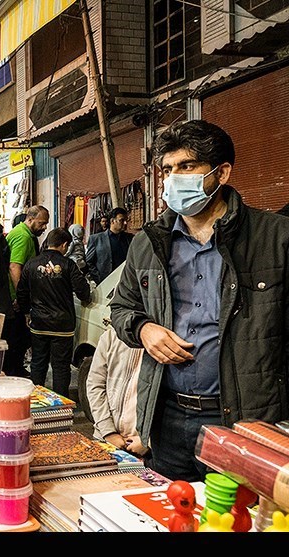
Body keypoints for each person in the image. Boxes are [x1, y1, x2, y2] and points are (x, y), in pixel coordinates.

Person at [110, 119, 289, 482]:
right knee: (172, 515)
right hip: (168, 418)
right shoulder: (149, 243)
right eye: (168, 169)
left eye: (187, 167)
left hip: (245, 422)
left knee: (237, 518)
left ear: (221, 173)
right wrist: (143, 329)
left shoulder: (276, 239)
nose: (174, 179)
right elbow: (121, 308)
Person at [17, 228, 91, 397]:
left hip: (39, 323)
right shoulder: (68, 265)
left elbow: (22, 292)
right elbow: (83, 292)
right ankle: (60, 404)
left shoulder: (31, 264)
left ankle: (35, 400)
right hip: (62, 325)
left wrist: (26, 312)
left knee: (38, 363)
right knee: (60, 366)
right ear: (64, 244)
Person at [86, 327, 148, 457]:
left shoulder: (165, 344)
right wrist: (108, 432)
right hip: (105, 438)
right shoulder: (110, 336)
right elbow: (95, 384)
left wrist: (147, 441)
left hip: (146, 447)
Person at [5, 205, 50, 377]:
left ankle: (16, 369)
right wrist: (20, 296)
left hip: (16, 296)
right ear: (30, 219)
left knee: (19, 338)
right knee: (19, 337)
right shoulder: (23, 237)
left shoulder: (23, 233)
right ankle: (14, 372)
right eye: (41, 223)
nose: (44, 227)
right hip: (15, 298)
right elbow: (15, 267)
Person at [86, 207, 133, 284]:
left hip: (125, 281)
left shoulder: (129, 238)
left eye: (126, 220)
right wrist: (98, 278)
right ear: (112, 221)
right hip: (105, 282)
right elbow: (89, 262)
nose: (125, 223)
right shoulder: (96, 239)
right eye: (121, 220)